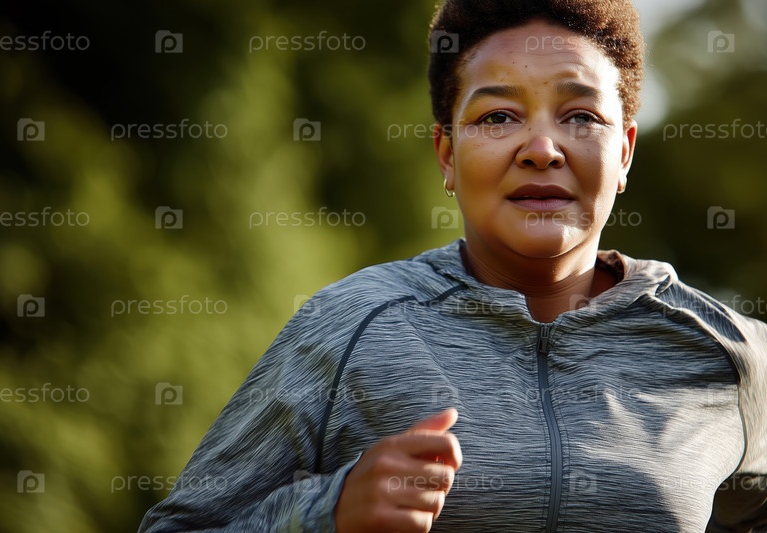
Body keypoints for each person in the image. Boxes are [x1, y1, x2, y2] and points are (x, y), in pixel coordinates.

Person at [139, 0, 767, 531]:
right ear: (446, 153)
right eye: (498, 117)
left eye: (581, 116)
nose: (542, 149)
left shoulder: (729, 352)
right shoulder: (348, 328)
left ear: (624, 151)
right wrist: (328, 513)